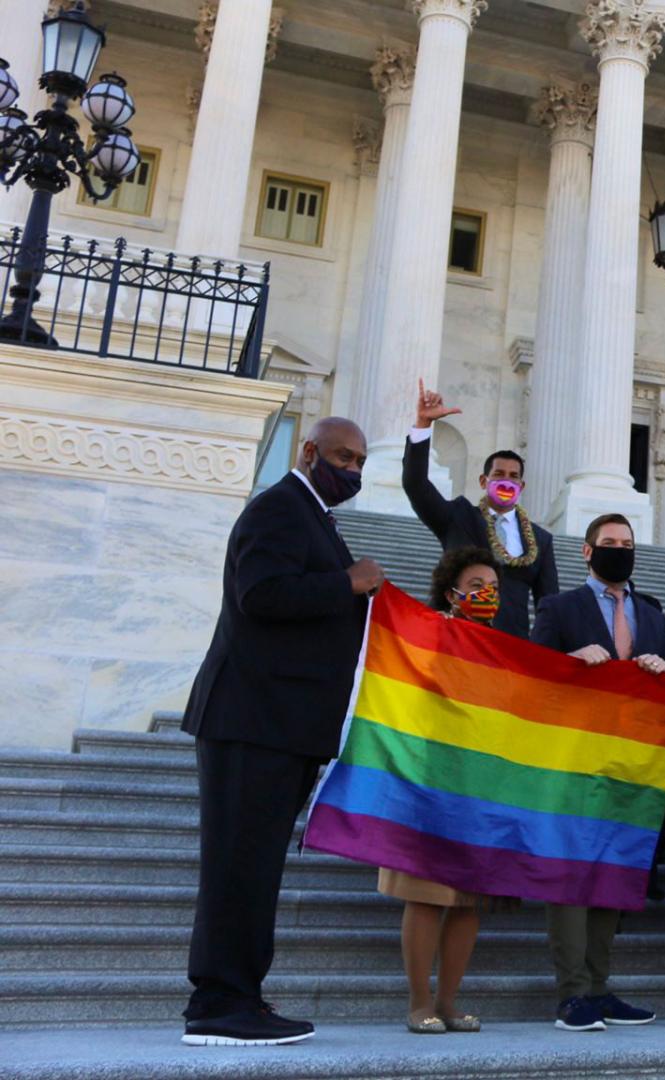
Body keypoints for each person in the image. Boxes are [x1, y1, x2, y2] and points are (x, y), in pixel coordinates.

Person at [181, 416, 384, 1047]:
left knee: (256, 865)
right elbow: (262, 594)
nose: (352, 471)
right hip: (252, 719)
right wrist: (347, 582)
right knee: (239, 864)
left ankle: (240, 994)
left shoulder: (314, 516)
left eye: (360, 462)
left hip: (281, 722)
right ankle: (218, 1003)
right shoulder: (280, 508)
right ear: (309, 450)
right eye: (343, 458)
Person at [530, 513, 665, 1032]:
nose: (620, 549)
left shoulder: (650, 612)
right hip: (572, 757)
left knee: (612, 871)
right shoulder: (559, 606)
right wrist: (569, 659)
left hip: (628, 760)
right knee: (570, 873)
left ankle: (599, 987)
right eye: (609, 542)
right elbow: (532, 674)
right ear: (587, 551)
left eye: (627, 543)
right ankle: (572, 994)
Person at [382, 547, 504, 1035]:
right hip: (428, 782)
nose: (486, 593)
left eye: (493, 587)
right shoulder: (428, 634)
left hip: (478, 787)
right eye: (476, 585)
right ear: (451, 592)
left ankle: (449, 1002)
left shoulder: (503, 649)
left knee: (469, 900)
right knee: (427, 895)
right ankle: (419, 1003)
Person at [404, 381, 558, 639]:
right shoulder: (458, 517)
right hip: (455, 638)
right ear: (483, 482)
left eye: (513, 476)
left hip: (508, 647)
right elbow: (416, 485)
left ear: (521, 486)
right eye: (498, 474)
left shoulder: (541, 540)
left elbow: (549, 605)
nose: (506, 481)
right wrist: (423, 425)